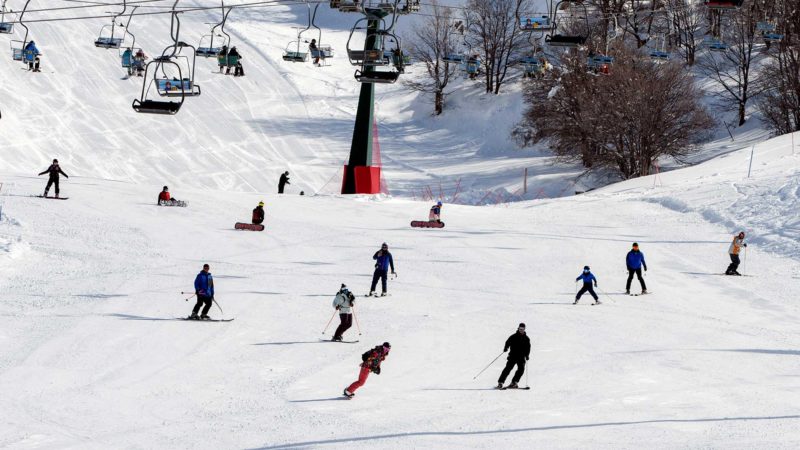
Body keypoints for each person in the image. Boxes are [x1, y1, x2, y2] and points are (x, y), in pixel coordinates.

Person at [497, 323, 531, 389]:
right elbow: (507, 342)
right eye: (520, 329)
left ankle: (514, 382)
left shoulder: (526, 339)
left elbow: (528, 348)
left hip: (521, 357)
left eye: (522, 329)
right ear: (518, 328)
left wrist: (527, 355)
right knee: (507, 369)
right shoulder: (513, 336)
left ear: (524, 329)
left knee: (521, 369)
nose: (521, 330)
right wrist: (506, 348)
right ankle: (500, 382)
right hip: (513, 356)